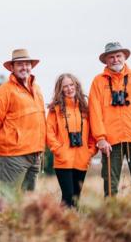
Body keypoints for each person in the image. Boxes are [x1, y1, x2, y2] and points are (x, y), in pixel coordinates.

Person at [89, 42, 131, 197]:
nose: (115, 60)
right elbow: (95, 112)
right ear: (106, 60)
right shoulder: (98, 81)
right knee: (110, 187)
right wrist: (100, 139)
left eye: (118, 56)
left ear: (125, 57)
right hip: (110, 143)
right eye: (111, 57)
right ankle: (112, 220)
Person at [0, 48, 46, 212]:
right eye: (20, 64)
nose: (24, 67)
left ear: (31, 67)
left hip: (36, 153)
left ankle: (24, 230)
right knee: (8, 195)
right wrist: (14, 136)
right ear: (12, 67)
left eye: (27, 64)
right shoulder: (4, 91)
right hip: (14, 154)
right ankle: (5, 230)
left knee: (29, 196)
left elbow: (41, 119)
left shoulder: (38, 89)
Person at [46, 73, 96, 208]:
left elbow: (93, 133)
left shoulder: (86, 108)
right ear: (60, 89)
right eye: (65, 87)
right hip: (63, 160)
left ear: (76, 85)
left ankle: (73, 226)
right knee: (67, 196)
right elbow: (49, 132)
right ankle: (61, 225)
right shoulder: (55, 109)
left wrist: (90, 151)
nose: (69, 89)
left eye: (71, 85)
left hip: (82, 158)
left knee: (76, 198)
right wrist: (58, 150)